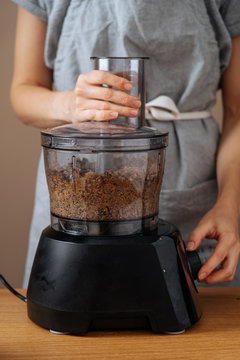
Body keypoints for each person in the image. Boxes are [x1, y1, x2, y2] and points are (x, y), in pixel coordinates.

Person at [10, 0, 240, 288]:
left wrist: (229, 207)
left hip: (196, 200)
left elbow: (236, 111)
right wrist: (69, 104)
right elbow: (23, 93)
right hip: (75, 185)